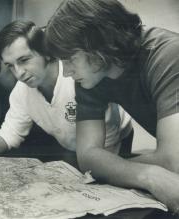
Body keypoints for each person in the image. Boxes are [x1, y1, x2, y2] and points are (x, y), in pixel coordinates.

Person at [44, 0, 179, 213]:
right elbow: (87, 157)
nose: (66, 72)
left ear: (98, 46)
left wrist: (113, 167)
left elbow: (174, 161)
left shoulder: (167, 54)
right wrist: (150, 175)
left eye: (70, 59)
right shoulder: (91, 75)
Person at [0, 21, 133, 168]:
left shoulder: (80, 79)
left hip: (114, 141)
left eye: (24, 60)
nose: (19, 73)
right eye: (10, 66)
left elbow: (106, 148)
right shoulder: (21, 91)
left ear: (46, 53)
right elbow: (10, 134)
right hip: (72, 147)